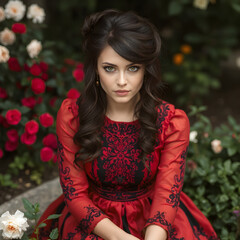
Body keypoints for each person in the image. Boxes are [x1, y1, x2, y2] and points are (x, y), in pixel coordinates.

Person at [33, 9, 219, 240]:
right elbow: (75, 194)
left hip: (156, 221)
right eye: (110, 68)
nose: (122, 81)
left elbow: (166, 195)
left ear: (145, 69)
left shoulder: (171, 122)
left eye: (133, 68)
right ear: (96, 71)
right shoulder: (72, 116)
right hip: (93, 221)